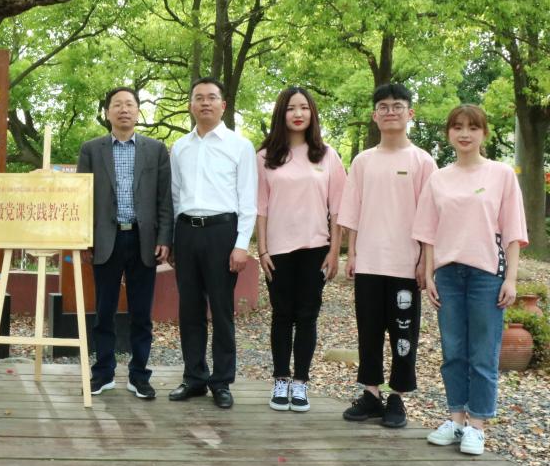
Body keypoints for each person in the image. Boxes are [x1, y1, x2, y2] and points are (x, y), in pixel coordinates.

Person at [413, 104, 527, 455]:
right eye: (458, 127)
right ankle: (456, 420)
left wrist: (511, 279)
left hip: (486, 275)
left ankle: (477, 425)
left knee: (483, 353)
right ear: (448, 133)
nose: (465, 134)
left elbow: (513, 231)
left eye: (473, 127)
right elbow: (428, 232)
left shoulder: (501, 174)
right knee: (453, 352)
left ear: (484, 133)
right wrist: (429, 274)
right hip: (448, 274)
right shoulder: (438, 178)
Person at [338, 83, 436, 428]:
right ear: (374, 115)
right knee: (368, 330)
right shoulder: (363, 161)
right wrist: (351, 254)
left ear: (410, 113)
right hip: (368, 260)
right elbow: (352, 210)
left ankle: (397, 397)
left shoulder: (422, 161)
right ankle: (371, 394)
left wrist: (425, 261)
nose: (390, 111)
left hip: (405, 263)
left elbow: (430, 216)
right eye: (383, 106)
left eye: (397, 106)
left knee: (403, 334)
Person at [77, 87, 173, 399]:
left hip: (144, 240)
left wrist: (164, 238)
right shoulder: (91, 150)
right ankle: (103, 373)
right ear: (107, 112)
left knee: (141, 313)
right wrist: (83, 238)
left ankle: (139, 375)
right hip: (105, 239)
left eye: (129, 104)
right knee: (103, 311)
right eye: (117, 105)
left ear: (138, 111)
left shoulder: (155, 150)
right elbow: (81, 197)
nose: (123, 110)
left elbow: (164, 199)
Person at [169, 77, 257, 408]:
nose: (205, 103)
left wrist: (241, 244)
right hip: (187, 232)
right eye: (199, 98)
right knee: (189, 309)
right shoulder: (180, 147)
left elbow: (248, 200)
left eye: (211, 97)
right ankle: (194, 378)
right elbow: (175, 196)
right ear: (190, 105)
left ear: (223, 105)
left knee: (221, 310)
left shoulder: (240, 146)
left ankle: (221, 381)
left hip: (223, 232)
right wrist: (173, 240)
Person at [256, 87, 346, 413]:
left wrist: (334, 251)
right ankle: (280, 379)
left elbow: (338, 208)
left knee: (308, 316)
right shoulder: (265, 157)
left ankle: (300, 383)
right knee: (281, 315)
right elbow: (260, 207)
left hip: (315, 248)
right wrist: (262, 250)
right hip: (278, 250)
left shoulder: (327, 155)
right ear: (281, 113)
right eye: (291, 108)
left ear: (312, 113)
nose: (298, 114)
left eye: (304, 108)